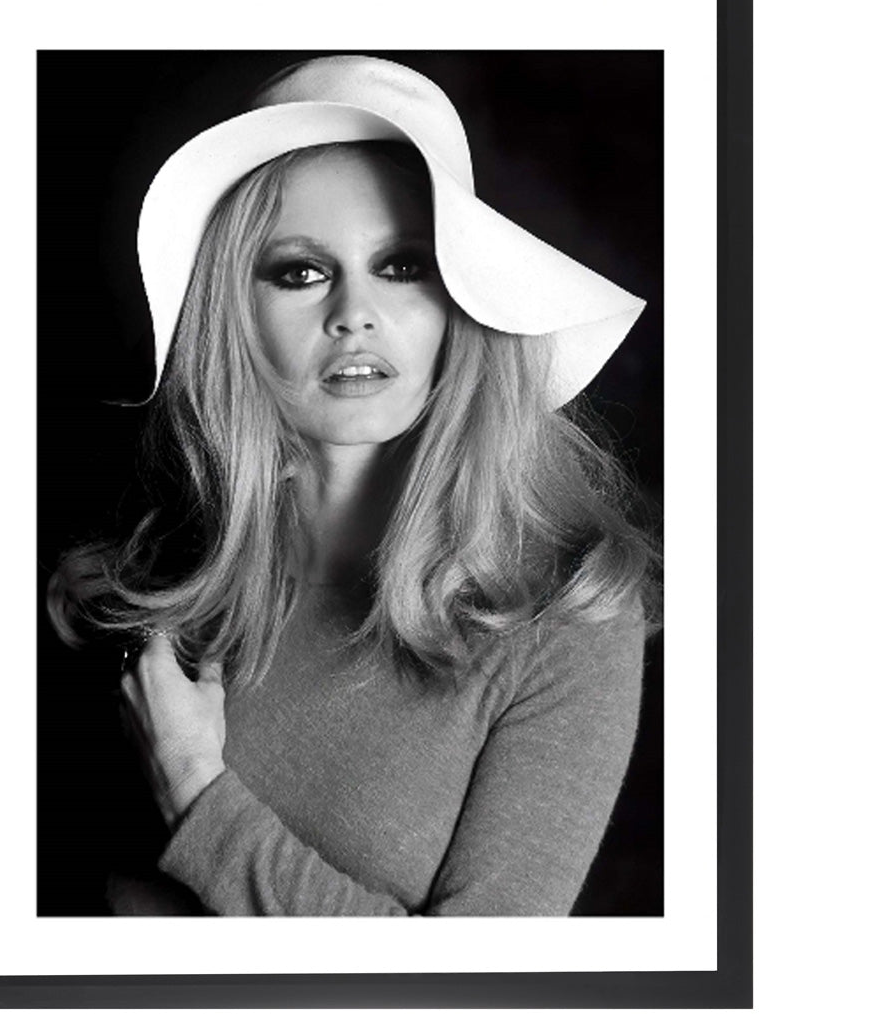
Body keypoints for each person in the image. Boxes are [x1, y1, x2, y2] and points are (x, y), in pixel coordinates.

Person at [48, 55, 658, 916]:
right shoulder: (155, 584)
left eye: (403, 266)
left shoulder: (561, 614)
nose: (353, 315)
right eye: (301, 271)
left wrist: (193, 790)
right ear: (236, 313)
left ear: (465, 304)